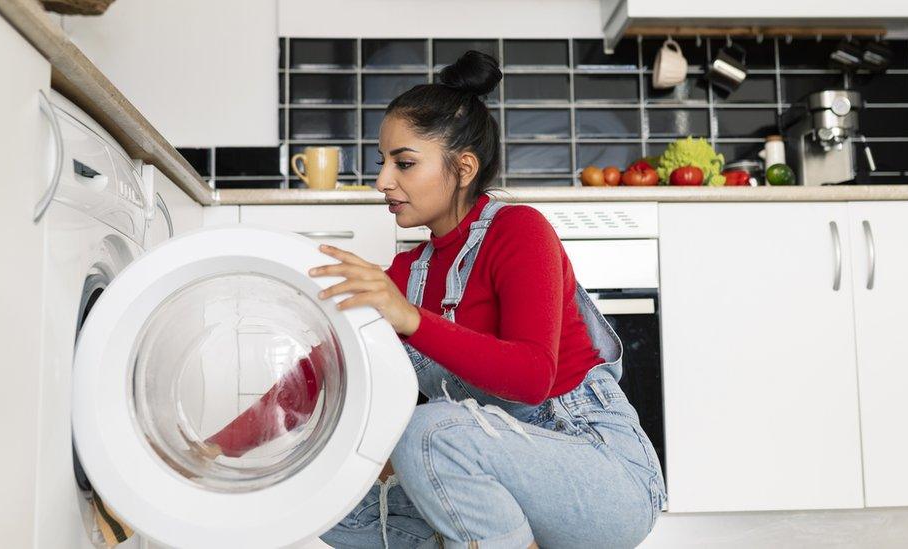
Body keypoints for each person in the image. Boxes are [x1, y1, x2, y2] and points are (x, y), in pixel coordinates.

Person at [207, 50, 666, 549]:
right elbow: (319, 375)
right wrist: (210, 452)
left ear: (463, 167)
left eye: (404, 163)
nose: (383, 181)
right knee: (322, 496)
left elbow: (532, 379)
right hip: (499, 479)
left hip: (602, 477)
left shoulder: (519, 230)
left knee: (426, 434)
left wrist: (408, 318)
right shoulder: (408, 273)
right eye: (382, 163)